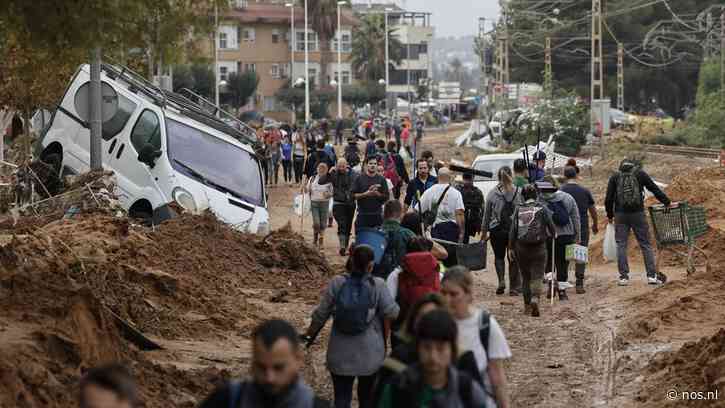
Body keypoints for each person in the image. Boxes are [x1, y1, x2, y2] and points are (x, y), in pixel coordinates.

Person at [302, 245, 399, 408]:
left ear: (351, 261)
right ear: (371, 265)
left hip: (340, 353)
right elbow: (393, 312)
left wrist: (309, 335)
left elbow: (320, 315)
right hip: (370, 355)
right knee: (367, 399)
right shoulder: (378, 285)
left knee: (341, 398)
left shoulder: (337, 283)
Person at [199, 320, 325, 408]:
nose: (269, 378)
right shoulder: (225, 400)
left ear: (298, 360)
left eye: (278, 367)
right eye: (261, 367)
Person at [378, 309, 489, 408]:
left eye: (440, 349)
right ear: (417, 348)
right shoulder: (397, 389)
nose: (433, 356)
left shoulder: (467, 390)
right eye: (427, 347)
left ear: (452, 350)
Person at [441, 267, 512, 408]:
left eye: (454, 294)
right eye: (443, 293)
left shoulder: (485, 325)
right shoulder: (436, 322)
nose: (447, 299)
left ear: (469, 294)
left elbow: (496, 375)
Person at [605, 158, 671, 286]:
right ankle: (651, 276)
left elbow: (608, 199)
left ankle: (623, 277)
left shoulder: (614, 177)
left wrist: (610, 215)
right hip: (638, 214)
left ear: (620, 167)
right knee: (645, 244)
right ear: (633, 166)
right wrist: (666, 201)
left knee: (621, 245)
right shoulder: (640, 174)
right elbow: (654, 188)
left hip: (620, 215)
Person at [509, 185, 555, 317]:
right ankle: (535, 298)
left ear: (523, 196)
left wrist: (511, 247)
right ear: (536, 195)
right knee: (537, 276)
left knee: (525, 277)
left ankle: (527, 306)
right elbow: (551, 226)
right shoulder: (542, 208)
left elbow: (513, 230)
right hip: (539, 248)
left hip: (521, 248)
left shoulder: (518, 209)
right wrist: (553, 234)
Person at [538, 177, 581, 300]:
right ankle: (562, 292)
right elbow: (576, 218)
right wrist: (577, 236)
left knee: (548, 262)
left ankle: (551, 283)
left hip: (547, 235)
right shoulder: (568, 197)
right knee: (563, 263)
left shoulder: (540, 199)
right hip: (566, 235)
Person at [482, 166, 522, 296]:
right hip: (514, 231)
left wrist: (484, 233)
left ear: (498, 177)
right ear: (512, 175)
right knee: (513, 258)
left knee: (499, 257)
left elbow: (486, 215)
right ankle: (513, 288)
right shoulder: (519, 192)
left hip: (497, 231)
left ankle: (501, 281)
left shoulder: (492, 193)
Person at [560, 165, 598, 293]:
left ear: (564, 177)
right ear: (576, 176)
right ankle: (579, 283)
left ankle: (562, 281)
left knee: (563, 254)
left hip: (564, 228)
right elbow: (592, 210)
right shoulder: (584, 191)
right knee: (580, 253)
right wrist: (595, 224)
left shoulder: (560, 191)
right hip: (582, 226)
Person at [419, 168, 465, 267]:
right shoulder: (456, 193)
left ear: (437, 177)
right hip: (451, 233)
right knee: (452, 262)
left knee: (437, 261)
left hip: (435, 232)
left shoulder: (429, 192)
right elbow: (460, 214)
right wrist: (461, 234)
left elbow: (417, 210)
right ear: (450, 178)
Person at [377, 200, 416, 279]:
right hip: (400, 279)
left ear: (383, 214)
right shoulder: (408, 234)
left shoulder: (374, 233)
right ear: (400, 215)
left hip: (377, 279)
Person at [351, 156, 390, 231]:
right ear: (366, 165)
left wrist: (377, 194)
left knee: (377, 240)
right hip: (363, 215)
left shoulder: (381, 179)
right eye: (370, 163)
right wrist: (365, 194)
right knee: (362, 240)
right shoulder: (359, 178)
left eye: (375, 164)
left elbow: (386, 197)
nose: (373, 165)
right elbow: (352, 196)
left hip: (377, 215)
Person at [330, 158, 357, 256]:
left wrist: (349, 196)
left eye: (343, 166)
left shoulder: (353, 174)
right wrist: (329, 172)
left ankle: (345, 246)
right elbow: (322, 181)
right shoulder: (334, 173)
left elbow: (353, 187)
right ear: (336, 165)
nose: (341, 168)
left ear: (346, 165)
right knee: (342, 224)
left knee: (348, 225)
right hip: (338, 203)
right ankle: (342, 246)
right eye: (339, 166)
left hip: (350, 203)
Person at [305, 162, 334, 249]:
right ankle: (315, 238)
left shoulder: (329, 180)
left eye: (323, 169)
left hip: (324, 203)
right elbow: (307, 190)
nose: (321, 170)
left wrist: (328, 194)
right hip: (314, 203)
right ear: (317, 169)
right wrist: (306, 188)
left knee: (323, 224)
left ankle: (320, 239)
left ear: (326, 170)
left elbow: (332, 192)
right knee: (316, 223)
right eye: (320, 169)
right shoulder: (312, 178)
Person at [456, 173, 485, 244]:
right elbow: (482, 208)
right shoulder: (477, 192)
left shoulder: (458, 190)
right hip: (466, 222)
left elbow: (481, 208)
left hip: (465, 221)